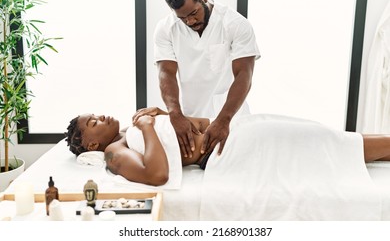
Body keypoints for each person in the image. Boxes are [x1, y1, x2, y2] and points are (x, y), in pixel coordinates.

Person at [65, 107, 390, 187]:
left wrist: (163, 115)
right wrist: (149, 126)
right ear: (92, 142)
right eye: (92, 121)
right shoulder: (114, 153)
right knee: (322, 142)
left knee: (318, 133)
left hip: (234, 129)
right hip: (232, 148)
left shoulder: (132, 125)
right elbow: (157, 174)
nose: (100, 115)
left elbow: (188, 124)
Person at [154, 0, 261, 158]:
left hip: (232, 118)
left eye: (194, 13)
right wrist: (175, 113)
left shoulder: (235, 24)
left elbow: (245, 74)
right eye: (182, 18)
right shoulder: (165, 29)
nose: (190, 21)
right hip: (191, 120)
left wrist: (224, 119)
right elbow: (166, 73)